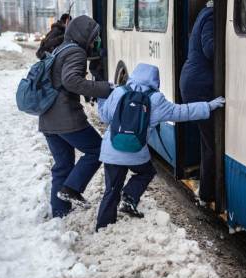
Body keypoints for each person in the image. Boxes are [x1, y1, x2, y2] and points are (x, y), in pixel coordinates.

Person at [95, 63, 225, 231]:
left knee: (111, 189)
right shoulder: (155, 99)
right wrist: (208, 106)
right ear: (155, 80)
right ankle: (129, 197)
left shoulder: (119, 92)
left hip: (112, 151)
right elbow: (182, 112)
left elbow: (104, 117)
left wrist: (101, 98)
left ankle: (103, 227)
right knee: (146, 172)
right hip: (135, 152)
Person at [39, 15, 113, 218]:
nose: (95, 41)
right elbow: (71, 80)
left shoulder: (61, 48)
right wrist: (106, 88)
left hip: (48, 119)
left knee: (62, 165)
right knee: (97, 149)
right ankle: (71, 189)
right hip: (65, 118)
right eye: (94, 37)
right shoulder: (76, 52)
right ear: (84, 35)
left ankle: (60, 213)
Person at [179, 0, 215, 206]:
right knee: (211, 140)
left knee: (207, 137)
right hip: (199, 85)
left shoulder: (205, 13)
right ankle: (207, 194)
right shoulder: (211, 16)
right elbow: (210, 48)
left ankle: (207, 189)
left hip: (196, 82)